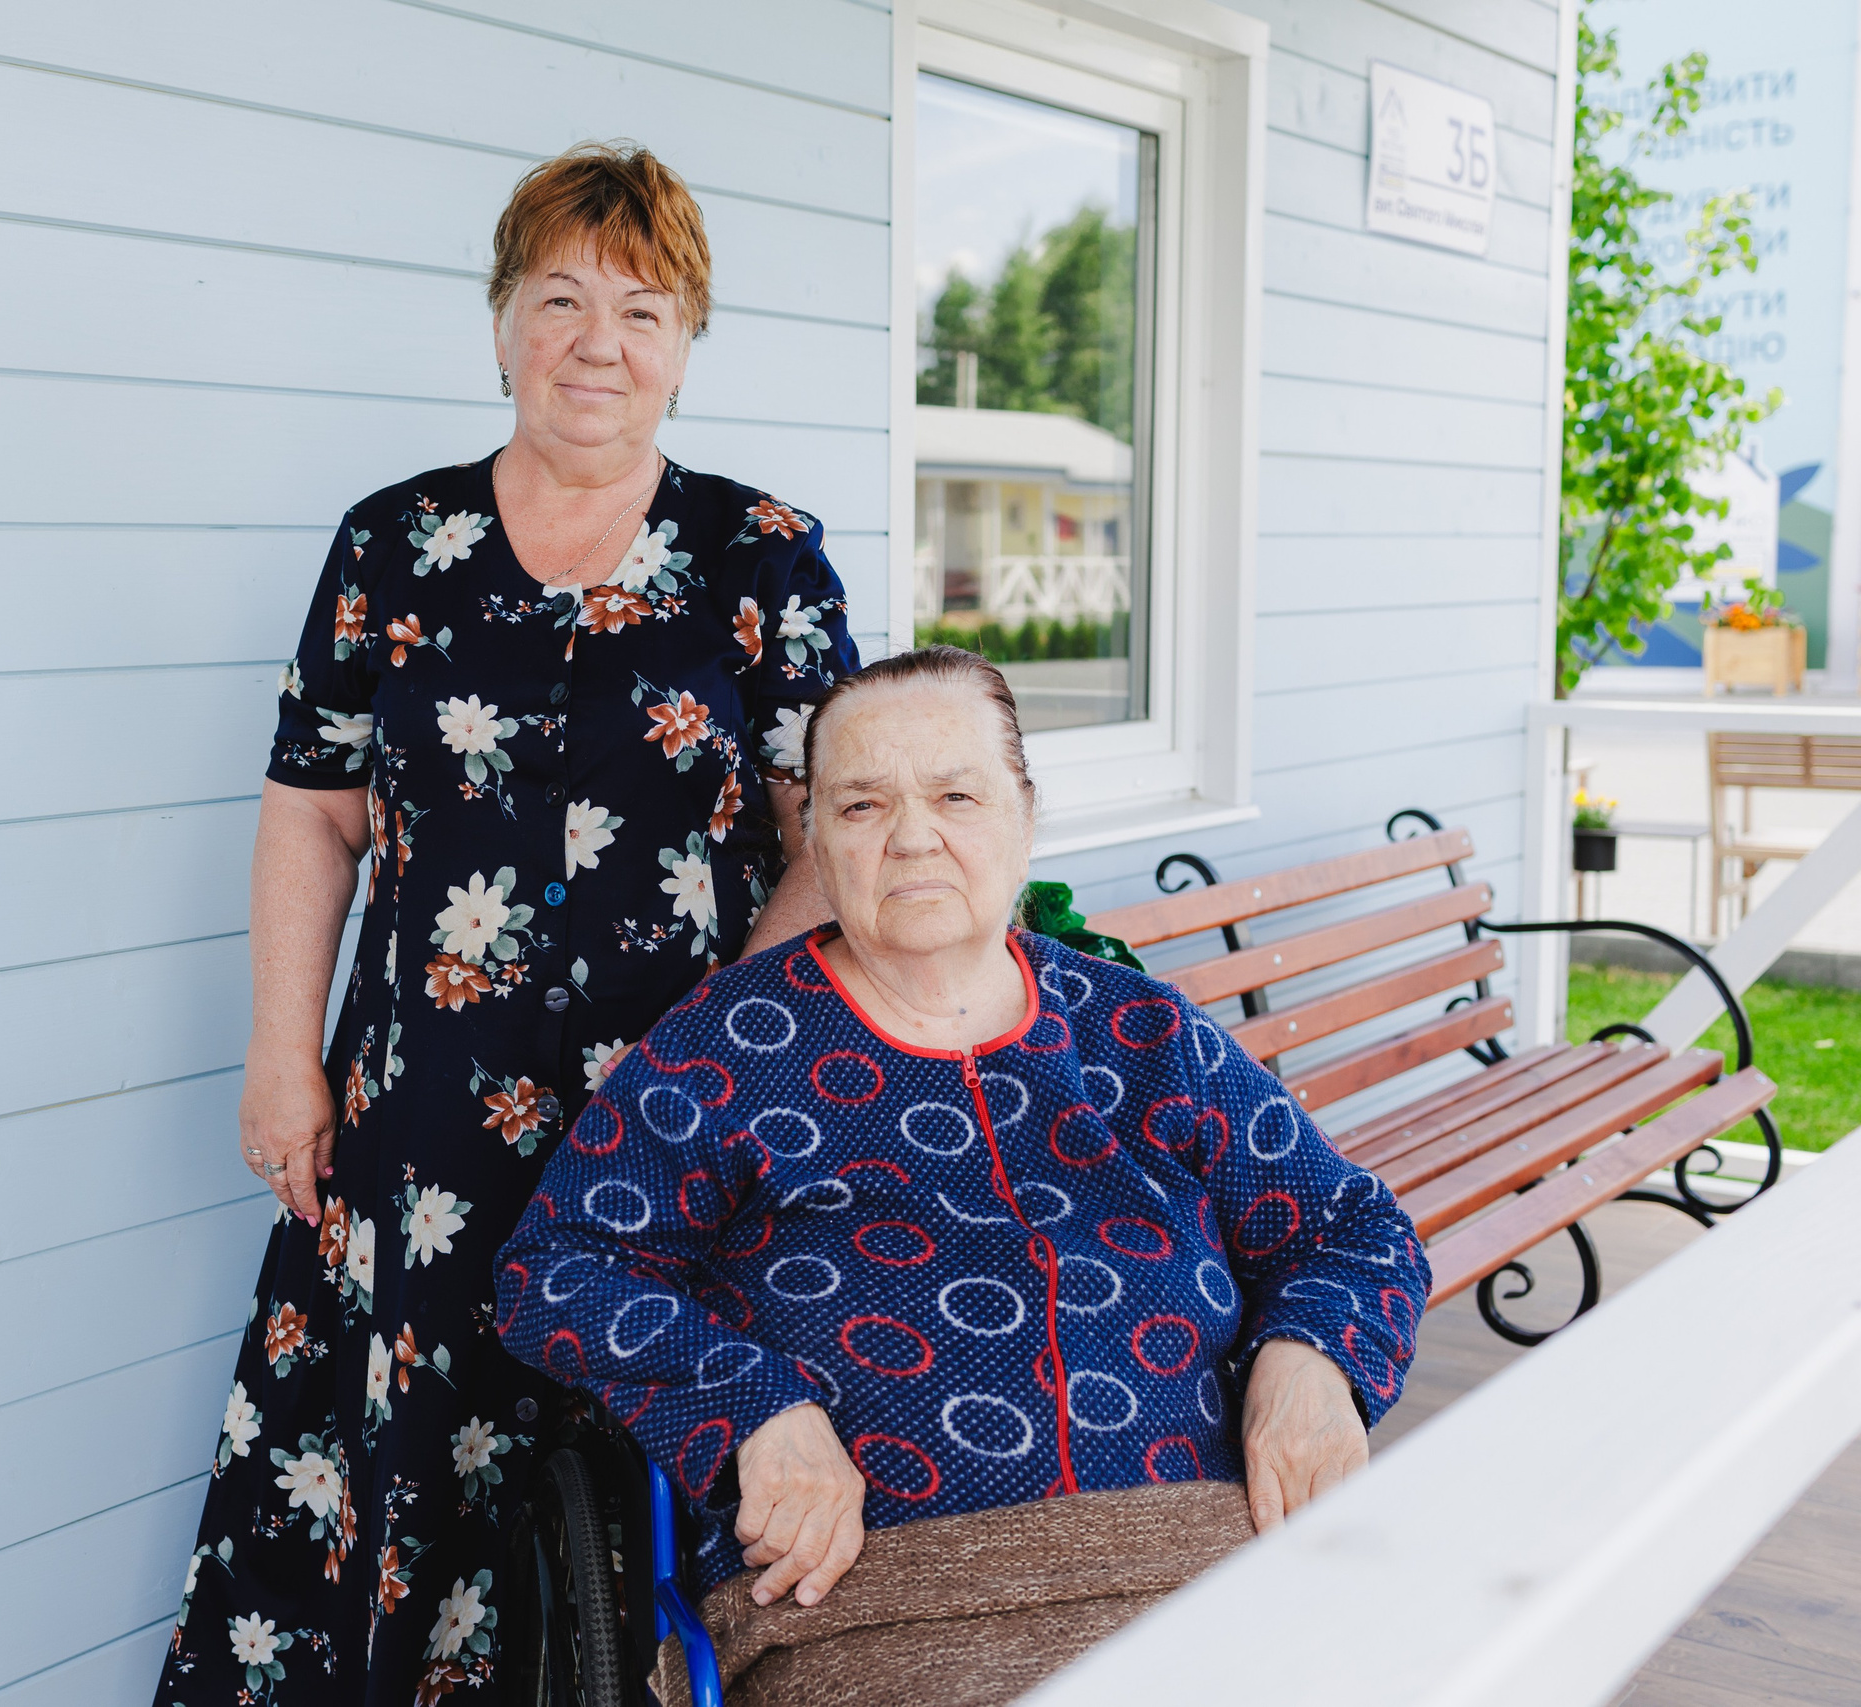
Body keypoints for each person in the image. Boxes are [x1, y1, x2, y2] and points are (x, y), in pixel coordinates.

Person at [157, 140, 860, 1707]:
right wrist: (283, 1053)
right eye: (558, 298)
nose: (596, 340)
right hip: (419, 1125)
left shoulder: (763, 556)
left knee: (654, 1503)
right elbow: (313, 809)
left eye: (642, 307)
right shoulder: (391, 546)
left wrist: (715, 1041)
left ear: (687, 346)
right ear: (498, 327)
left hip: (676, 1122)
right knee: (393, 1486)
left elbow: (838, 833)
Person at [493, 646, 1429, 1698]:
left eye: (954, 793)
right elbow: (557, 1268)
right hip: (883, 1601)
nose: (911, 836)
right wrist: (753, 1406)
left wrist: (1307, 1364)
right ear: (814, 842)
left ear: (1023, 817)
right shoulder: (727, 1048)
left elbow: (1348, 1225)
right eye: (858, 806)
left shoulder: (1136, 1030)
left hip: (1209, 1568)